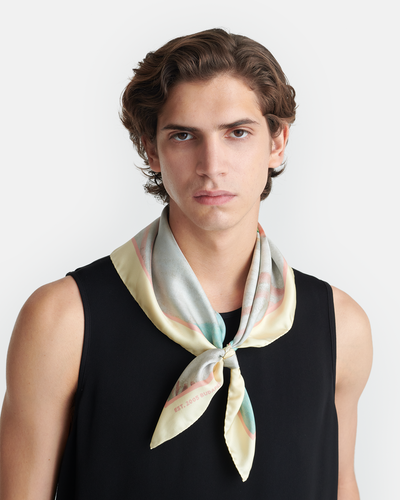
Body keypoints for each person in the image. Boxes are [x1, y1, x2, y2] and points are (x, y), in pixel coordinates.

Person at [0, 28, 372, 499]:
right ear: (151, 149)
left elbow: (340, 486)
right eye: (183, 135)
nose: (211, 165)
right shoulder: (62, 320)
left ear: (277, 142)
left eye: (237, 133)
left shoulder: (341, 325)